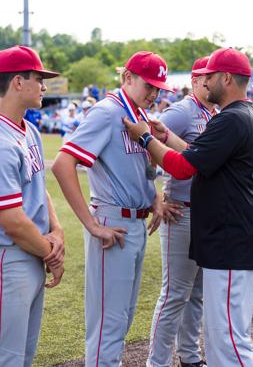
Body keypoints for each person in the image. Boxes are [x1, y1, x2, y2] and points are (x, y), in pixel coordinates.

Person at [124, 47, 253, 367]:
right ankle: (177, 358)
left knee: (228, 339)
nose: (205, 82)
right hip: (224, 233)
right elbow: (196, 153)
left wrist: (147, 139)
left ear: (225, 78)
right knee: (218, 337)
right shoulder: (238, 114)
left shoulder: (230, 117)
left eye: (211, 76)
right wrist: (166, 138)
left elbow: (186, 166)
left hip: (230, 237)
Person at [52, 51, 173, 367]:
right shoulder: (107, 112)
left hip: (135, 223)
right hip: (112, 221)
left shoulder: (138, 116)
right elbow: (64, 164)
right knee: (109, 322)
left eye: (158, 88)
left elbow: (144, 166)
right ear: (128, 78)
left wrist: (155, 196)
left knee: (123, 316)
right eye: (149, 85)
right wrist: (92, 224)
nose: (155, 93)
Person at [147, 56, 216, 367]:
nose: (209, 81)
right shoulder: (182, 111)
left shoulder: (213, 112)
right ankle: (157, 362)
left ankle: (189, 357)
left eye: (214, 76)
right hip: (182, 212)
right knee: (175, 294)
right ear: (194, 79)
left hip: (206, 213)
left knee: (197, 293)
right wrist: (156, 196)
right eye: (205, 76)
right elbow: (145, 146)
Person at [0, 45, 64, 367]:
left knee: (23, 355)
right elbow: (11, 221)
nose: (43, 86)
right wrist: (50, 252)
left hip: (32, 252)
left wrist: (57, 230)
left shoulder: (31, 131)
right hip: (9, 258)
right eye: (38, 78)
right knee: (7, 356)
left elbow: (40, 189)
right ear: (17, 83)